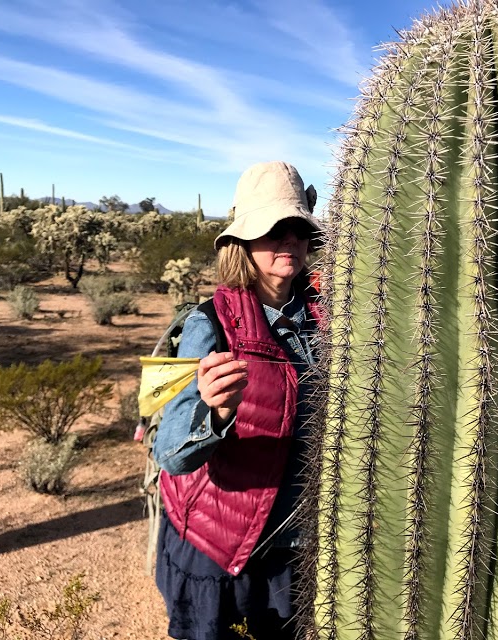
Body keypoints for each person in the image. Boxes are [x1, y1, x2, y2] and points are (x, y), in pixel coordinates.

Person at [152, 161, 324, 640]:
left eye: (299, 228)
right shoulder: (211, 324)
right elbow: (172, 452)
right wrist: (213, 412)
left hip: (293, 548)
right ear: (244, 242)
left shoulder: (329, 318)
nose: (289, 240)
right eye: (274, 228)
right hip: (221, 548)